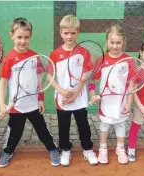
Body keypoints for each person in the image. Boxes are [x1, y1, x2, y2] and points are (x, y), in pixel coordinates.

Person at [0, 17, 60, 168]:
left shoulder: (35, 57)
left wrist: (40, 99)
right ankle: (7, 151)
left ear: (30, 36)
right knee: (14, 133)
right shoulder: (9, 59)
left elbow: (39, 79)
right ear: (11, 35)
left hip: (33, 104)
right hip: (17, 106)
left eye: (26, 37)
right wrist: (2, 104)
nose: (22, 41)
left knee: (42, 130)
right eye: (19, 37)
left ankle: (52, 149)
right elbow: (3, 82)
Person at [50, 15, 98, 167]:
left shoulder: (84, 52)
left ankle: (88, 149)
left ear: (78, 32)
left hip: (80, 97)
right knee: (63, 126)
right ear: (60, 33)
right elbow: (50, 76)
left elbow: (87, 73)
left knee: (83, 125)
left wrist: (76, 93)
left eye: (73, 33)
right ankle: (65, 149)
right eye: (66, 33)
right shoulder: (55, 54)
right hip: (62, 98)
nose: (69, 36)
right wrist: (61, 91)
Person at [90, 24, 133, 164]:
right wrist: (92, 94)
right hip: (106, 102)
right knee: (105, 124)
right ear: (107, 42)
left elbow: (132, 84)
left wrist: (129, 102)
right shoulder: (101, 60)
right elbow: (92, 80)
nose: (115, 46)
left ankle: (120, 148)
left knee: (121, 124)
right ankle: (103, 149)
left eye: (118, 42)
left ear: (124, 42)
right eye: (112, 42)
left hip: (121, 101)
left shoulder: (129, 61)